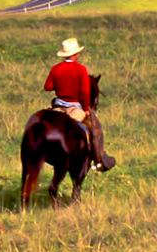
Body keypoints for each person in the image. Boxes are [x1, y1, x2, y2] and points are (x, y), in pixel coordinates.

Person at [43, 37, 115, 171]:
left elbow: (47, 86)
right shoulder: (81, 69)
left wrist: (60, 84)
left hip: (58, 106)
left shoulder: (55, 69)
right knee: (94, 128)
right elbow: (85, 91)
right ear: (75, 54)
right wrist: (87, 109)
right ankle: (98, 160)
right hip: (74, 106)